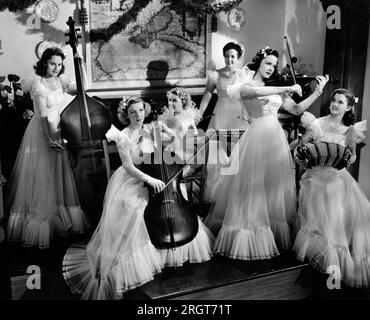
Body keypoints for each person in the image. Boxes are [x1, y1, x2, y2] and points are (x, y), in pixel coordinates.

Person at [204, 46, 329, 260]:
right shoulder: (244, 85)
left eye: (274, 64)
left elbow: (297, 110)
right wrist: (285, 87)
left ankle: (271, 230)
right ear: (258, 62)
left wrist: (317, 92)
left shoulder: (275, 87)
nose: (271, 68)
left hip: (276, 139)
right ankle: (250, 234)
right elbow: (252, 93)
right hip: (256, 137)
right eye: (268, 63)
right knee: (253, 187)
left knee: (274, 187)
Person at [6, 47, 89, 249]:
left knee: (57, 176)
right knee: (42, 177)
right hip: (42, 133)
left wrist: (79, 61)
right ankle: (41, 224)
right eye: (53, 63)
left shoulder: (60, 81)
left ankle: (60, 222)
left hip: (59, 129)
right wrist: (51, 139)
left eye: (59, 64)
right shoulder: (38, 84)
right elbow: (43, 117)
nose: (56, 67)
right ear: (45, 63)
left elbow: (82, 87)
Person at [293, 88, 370, 288]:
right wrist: (305, 156)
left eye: (340, 102)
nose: (335, 104)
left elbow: (351, 158)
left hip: (336, 174)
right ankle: (317, 253)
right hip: (315, 173)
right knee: (319, 190)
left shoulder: (351, 130)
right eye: (333, 100)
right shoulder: (316, 123)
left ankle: (333, 260)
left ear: (349, 107)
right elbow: (301, 148)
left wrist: (345, 156)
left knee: (335, 191)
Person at [157, 88, 215, 267]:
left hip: (186, 159)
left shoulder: (187, 119)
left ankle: (180, 220)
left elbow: (191, 146)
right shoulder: (168, 117)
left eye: (175, 100)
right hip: (171, 156)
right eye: (170, 101)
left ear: (183, 102)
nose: (171, 104)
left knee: (169, 176)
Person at [198, 42, 252, 201]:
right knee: (218, 152)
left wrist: (252, 115)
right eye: (227, 56)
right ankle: (217, 193)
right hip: (221, 113)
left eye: (233, 56)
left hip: (239, 114)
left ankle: (238, 191)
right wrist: (199, 113)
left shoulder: (244, 75)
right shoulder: (215, 75)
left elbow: (250, 96)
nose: (229, 59)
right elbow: (207, 95)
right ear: (224, 57)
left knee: (239, 153)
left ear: (238, 57)